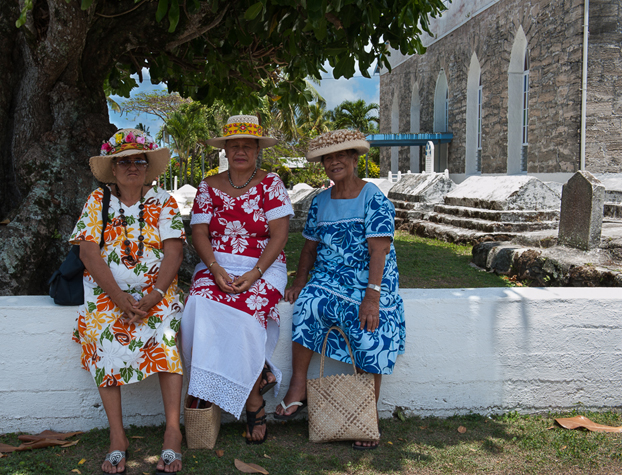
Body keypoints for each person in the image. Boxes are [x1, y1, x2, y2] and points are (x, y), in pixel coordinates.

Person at [276, 129, 405, 450]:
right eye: (328, 158)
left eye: (341, 156)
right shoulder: (320, 201)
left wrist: (372, 297)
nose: (334, 162)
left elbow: (380, 251)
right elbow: (308, 249)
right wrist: (298, 282)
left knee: (366, 323)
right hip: (330, 277)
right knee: (306, 305)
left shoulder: (372, 197)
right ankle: (297, 389)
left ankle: (366, 413)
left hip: (369, 280)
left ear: (354, 158)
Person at [69, 128, 185, 474]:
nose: (132, 166)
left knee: (167, 343)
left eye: (139, 160)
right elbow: (88, 253)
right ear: (114, 168)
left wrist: (153, 297)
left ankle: (172, 432)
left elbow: (174, 252)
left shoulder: (164, 201)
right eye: (124, 161)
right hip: (108, 298)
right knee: (101, 341)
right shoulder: (97, 200)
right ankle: (118, 437)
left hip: (157, 295)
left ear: (148, 167)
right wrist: (120, 299)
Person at [181, 115, 293, 445]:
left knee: (246, 312)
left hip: (263, 265)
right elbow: (198, 231)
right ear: (225, 150)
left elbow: (280, 234)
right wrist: (215, 269)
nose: (240, 150)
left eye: (248, 145)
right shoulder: (208, 185)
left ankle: (253, 402)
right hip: (216, 263)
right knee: (199, 303)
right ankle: (254, 389)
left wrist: (255, 272)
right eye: (234, 145)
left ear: (258, 150)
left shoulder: (271, 183)